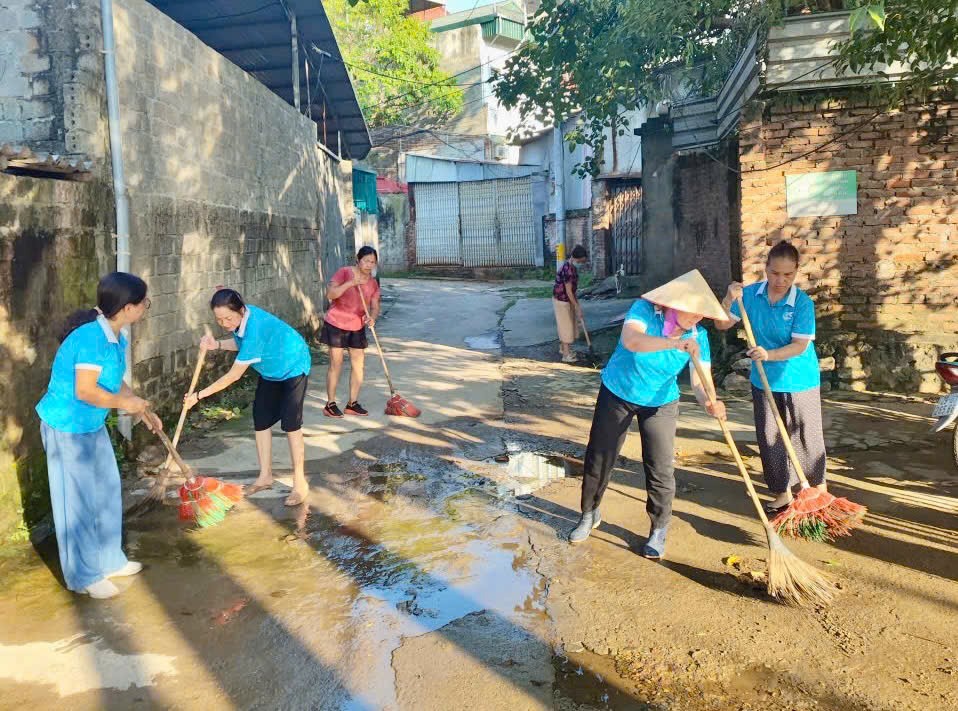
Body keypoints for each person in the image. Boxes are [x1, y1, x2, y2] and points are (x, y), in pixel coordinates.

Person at [570, 270, 728, 560]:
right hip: (618, 392)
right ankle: (589, 513)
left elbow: (700, 380)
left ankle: (658, 528)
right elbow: (632, 341)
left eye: (702, 314)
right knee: (600, 457)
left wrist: (710, 402)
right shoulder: (644, 310)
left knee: (660, 466)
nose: (697, 318)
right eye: (692, 311)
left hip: (661, 402)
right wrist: (673, 344)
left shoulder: (698, 337)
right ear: (674, 302)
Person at [35, 272, 162, 599]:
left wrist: (142, 410)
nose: (146, 307)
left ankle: (109, 560)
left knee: (107, 490)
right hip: (66, 424)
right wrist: (125, 403)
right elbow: (86, 390)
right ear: (128, 307)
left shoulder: (115, 336)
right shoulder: (91, 339)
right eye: (144, 302)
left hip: (90, 424)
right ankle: (83, 576)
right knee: (75, 501)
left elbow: (113, 382)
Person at [716, 240, 826, 513]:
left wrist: (769, 355)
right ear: (766, 269)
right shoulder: (750, 296)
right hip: (763, 379)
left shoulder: (802, 303)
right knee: (770, 436)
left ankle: (816, 492)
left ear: (796, 272)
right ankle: (782, 492)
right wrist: (729, 298)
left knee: (806, 436)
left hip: (800, 379)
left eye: (787, 274)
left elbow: (800, 345)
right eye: (775, 273)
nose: (780, 280)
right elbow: (721, 323)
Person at [185, 288, 312, 506]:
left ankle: (300, 483)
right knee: (261, 420)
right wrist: (217, 345)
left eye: (228, 318)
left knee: (292, 425)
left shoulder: (255, 327)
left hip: (293, 365)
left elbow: (233, 376)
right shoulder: (242, 321)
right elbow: (239, 344)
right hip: (270, 370)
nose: (225, 324)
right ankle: (265, 476)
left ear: (241, 310)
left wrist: (198, 395)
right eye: (219, 319)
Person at [320, 246, 381, 418]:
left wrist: (372, 318)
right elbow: (331, 295)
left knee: (358, 366)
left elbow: (375, 306)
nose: (369, 265)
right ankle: (330, 404)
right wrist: (350, 284)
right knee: (336, 364)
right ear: (358, 259)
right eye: (366, 261)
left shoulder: (372, 283)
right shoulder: (345, 272)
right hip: (336, 323)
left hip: (357, 325)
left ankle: (352, 403)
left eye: (373, 262)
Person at [553, 244, 589, 363]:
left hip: (567, 299)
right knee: (566, 326)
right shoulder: (568, 270)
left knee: (571, 324)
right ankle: (566, 355)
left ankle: (564, 349)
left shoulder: (572, 267)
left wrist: (576, 304)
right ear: (576, 258)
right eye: (582, 261)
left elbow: (573, 290)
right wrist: (577, 307)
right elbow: (568, 291)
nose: (582, 263)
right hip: (562, 300)